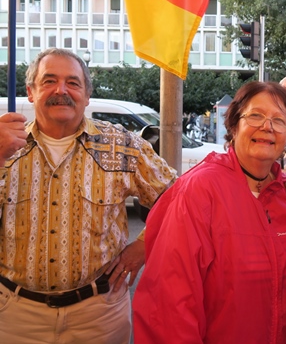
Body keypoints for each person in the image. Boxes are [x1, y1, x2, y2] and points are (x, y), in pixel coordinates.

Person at [0, 48, 177, 343]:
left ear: (87, 94)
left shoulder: (123, 146)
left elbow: (178, 199)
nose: (61, 90)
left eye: (73, 82)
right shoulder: (5, 145)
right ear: (30, 92)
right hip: (17, 316)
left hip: (99, 315)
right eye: (49, 81)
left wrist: (145, 246)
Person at [133, 81, 286, 343]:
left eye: (279, 120)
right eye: (256, 115)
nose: (267, 126)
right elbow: (169, 305)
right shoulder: (200, 190)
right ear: (235, 125)